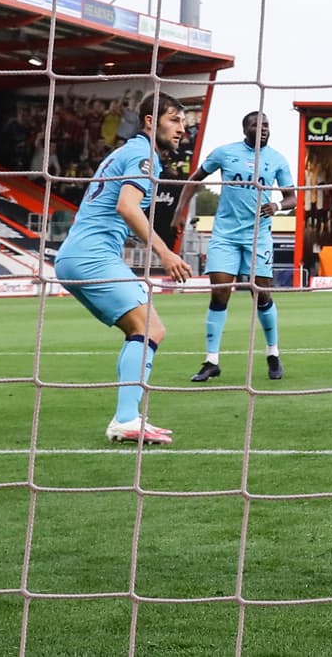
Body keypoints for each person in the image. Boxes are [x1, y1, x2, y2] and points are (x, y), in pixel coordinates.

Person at [55, 93, 193, 445]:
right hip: (91, 256)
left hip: (78, 255)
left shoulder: (125, 152)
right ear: (150, 121)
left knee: (140, 330)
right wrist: (165, 253)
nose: (182, 128)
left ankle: (128, 416)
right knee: (151, 327)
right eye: (174, 119)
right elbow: (127, 207)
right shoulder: (144, 156)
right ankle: (126, 419)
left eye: (183, 121)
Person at [173, 111, 296, 383]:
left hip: (258, 236)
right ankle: (211, 361)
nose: (262, 128)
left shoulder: (277, 159)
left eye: (266, 124)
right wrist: (179, 212)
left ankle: (273, 354)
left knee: (261, 296)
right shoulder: (224, 153)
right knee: (219, 293)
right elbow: (195, 179)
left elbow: (292, 199)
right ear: (245, 129)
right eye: (256, 124)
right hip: (225, 235)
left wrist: (276, 205)